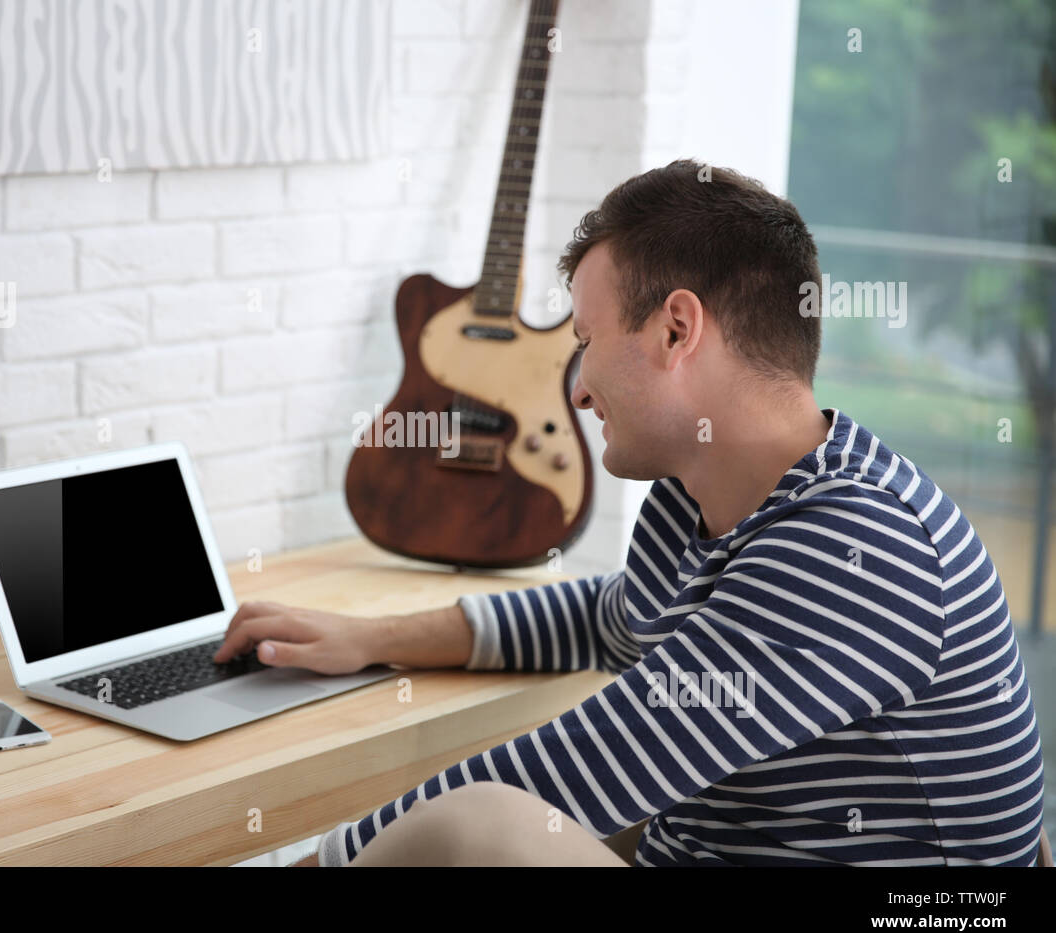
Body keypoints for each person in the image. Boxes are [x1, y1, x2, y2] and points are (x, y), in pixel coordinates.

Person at [214, 160, 1047, 867]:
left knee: (482, 823)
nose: (575, 387)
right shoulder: (699, 496)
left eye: (586, 338)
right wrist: (369, 638)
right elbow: (606, 616)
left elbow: (572, 773)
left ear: (677, 329)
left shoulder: (852, 542)